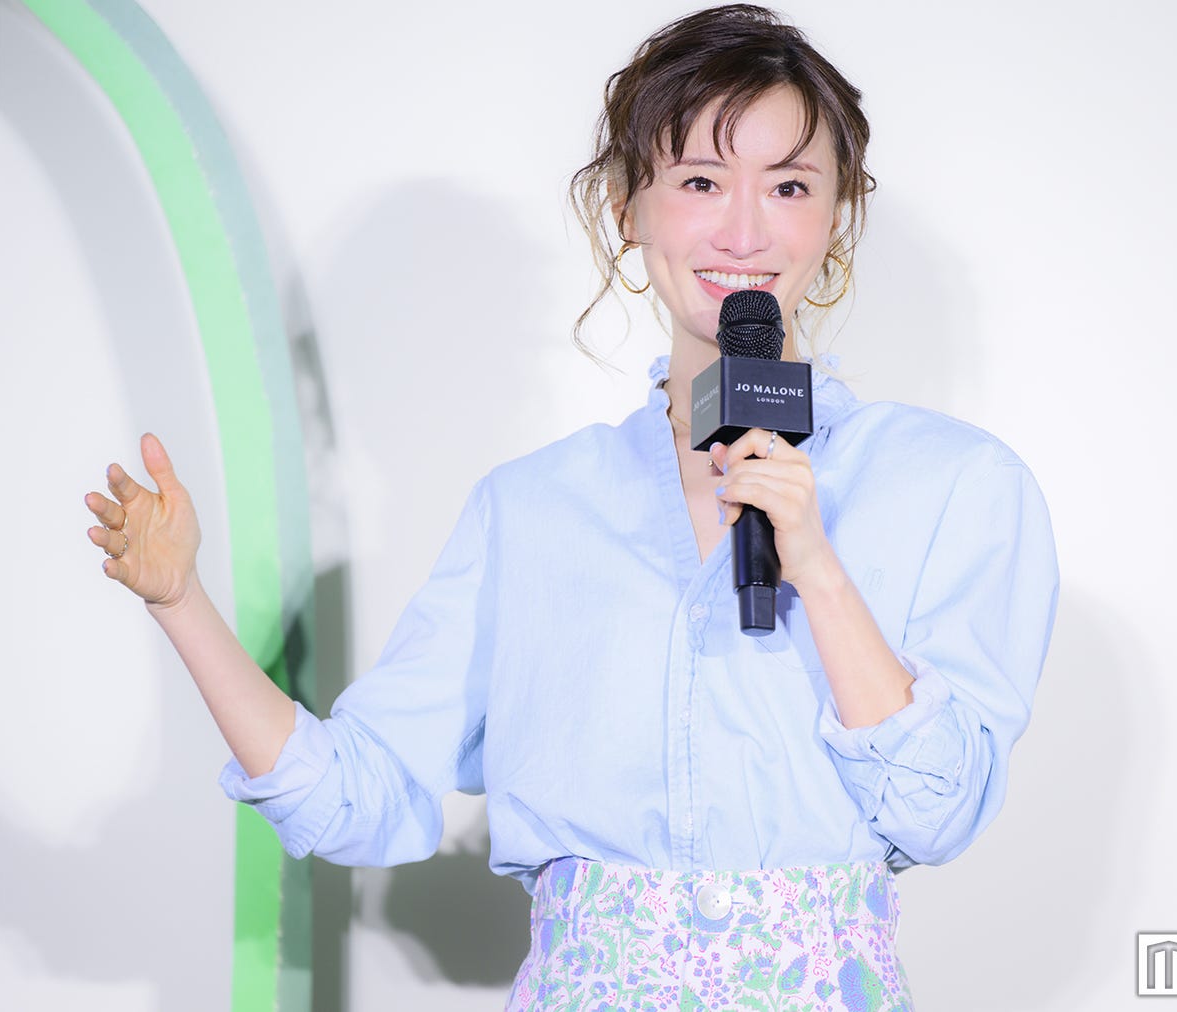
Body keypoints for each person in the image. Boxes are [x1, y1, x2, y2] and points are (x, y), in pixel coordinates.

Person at [83, 5, 1058, 1008]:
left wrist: (815, 567)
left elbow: (937, 812)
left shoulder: (953, 484)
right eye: (699, 182)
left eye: (789, 186)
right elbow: (352, 796)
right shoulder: (530, 512)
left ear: (835, 216)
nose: (743, 230)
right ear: (628, 207)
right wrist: (180, 601)